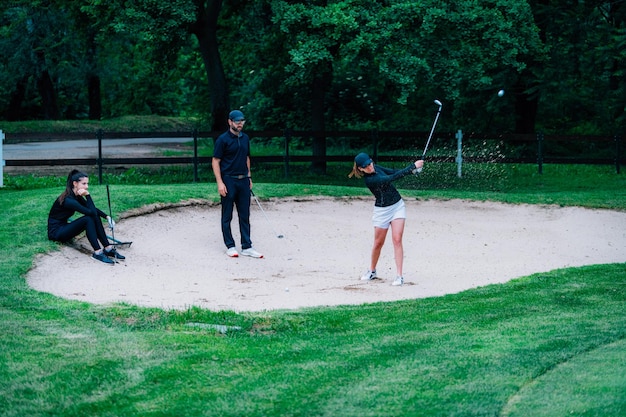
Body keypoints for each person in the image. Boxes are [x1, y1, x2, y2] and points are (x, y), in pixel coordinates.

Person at [349, 153, 424, 286]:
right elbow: (391, 178)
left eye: (370, 163)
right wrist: (413, 166)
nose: (370, 166)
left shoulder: (376, 167)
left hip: (397, 206)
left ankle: (399, 276)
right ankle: (372, 271)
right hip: (382, 212)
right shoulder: (370, 181)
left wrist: (413, 171)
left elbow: (394, 171)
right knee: (378, 243)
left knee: (397, 239)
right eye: (366, 166)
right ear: (360, 169)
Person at [212, 109, 263, 258]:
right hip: (228, 179)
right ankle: (230, 246)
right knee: (227, 215)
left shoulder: (245, 138)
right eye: (237, 121)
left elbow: (247, 157)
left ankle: (247, 246)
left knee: (245, 214)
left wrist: (249, 177)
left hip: (243, 180)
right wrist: (220, 182)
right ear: (230, 122)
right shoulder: (222, 140)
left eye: (242, 121)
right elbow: (216, 161)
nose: (240, 124)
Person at [47, 169, 125, 265]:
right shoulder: (68, 200)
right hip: (56, 233)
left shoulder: (75, 196)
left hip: (63, 227)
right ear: (75, 183)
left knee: (93, 217)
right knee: (88, 219)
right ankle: (97, 252)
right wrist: (88, 195)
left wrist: (107, 217)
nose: (86, 186)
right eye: (84, 184)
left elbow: (92, 210)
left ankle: (108, 248)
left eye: (87, 184)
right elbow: (91, 212)